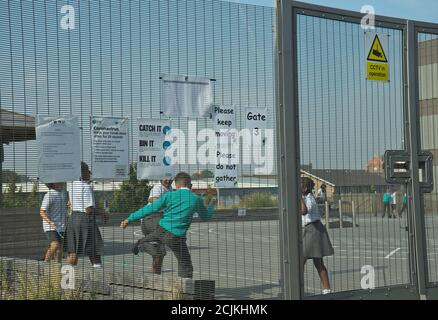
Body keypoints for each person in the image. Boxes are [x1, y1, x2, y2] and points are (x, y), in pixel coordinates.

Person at [120, 172, 215, 278]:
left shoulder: (169, 195)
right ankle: (184, 289)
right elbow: (206, 217)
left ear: (176, 185)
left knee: (149, 239)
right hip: (176, 237)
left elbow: (150, 208)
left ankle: (140, 244)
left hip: (161, 230)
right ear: (190, 185)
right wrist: (211, 205)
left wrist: (129, 219)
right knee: (185, 263)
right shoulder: (195, 199)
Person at [65, 162, 107, 267]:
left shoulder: (72, 186)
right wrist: (103, 213)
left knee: (72, 250)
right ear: (82, 172)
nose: (90, 173)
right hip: (85, 220)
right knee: (94, 250)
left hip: (73, 219)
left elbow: (70, 204)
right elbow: (88, 209)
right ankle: (98, 274)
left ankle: (71, 275)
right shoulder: (86, 187)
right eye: (88, 171)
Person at [301, 177, 334, 295]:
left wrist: (298, 197)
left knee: (301, 261)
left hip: (313, 231)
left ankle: (297, 290)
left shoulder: (308, 198)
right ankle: (327, 290)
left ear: (304, 189)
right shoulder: (306, 197)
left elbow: (304, 211)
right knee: (318, 262)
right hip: (311, 230)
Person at [133, 178, 173, 275]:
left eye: (170, 179)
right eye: (166, 179)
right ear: (160, 179)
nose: (168, 181)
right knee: (160, 250)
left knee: (158, 248)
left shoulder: (170, 189)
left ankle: (156, 273)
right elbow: (152, 199)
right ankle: (142, 243)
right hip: (152, 217)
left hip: (158, 218)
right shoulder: (158, 187)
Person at [40, 183, 68, 262]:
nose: (62, 183)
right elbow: (42, 211)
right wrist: (50, 222)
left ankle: (57, 269)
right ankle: (45, 263)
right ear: (53, 184)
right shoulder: (49, 195)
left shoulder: (61, 194)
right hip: (51, 227)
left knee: (59, 250)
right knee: (55, 245)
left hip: (61, 226)